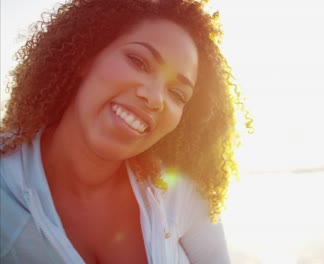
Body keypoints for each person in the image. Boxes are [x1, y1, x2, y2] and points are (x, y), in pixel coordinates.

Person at [0, 0, 252, 263]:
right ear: (86, 56)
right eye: (138, 62)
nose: (155, 98)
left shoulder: (181, 193)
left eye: (177, 93)